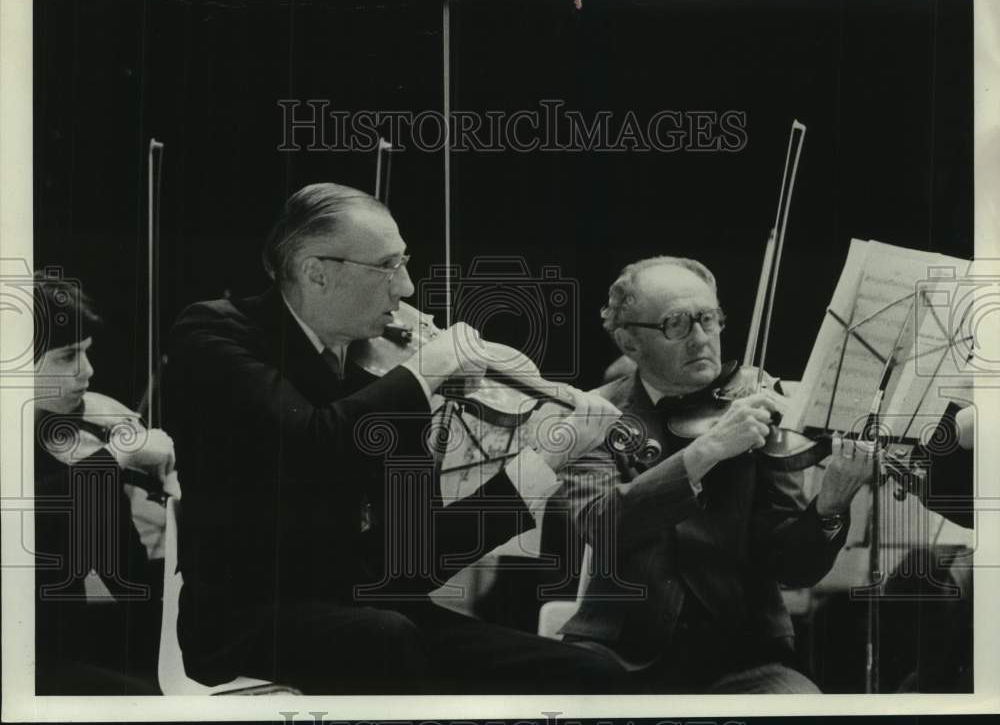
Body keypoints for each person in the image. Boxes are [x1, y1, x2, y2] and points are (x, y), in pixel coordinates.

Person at [163, 182, 629, 694]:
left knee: (592, 675)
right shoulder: (215, 333)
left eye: (403, 262)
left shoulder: (385, 375)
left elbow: (415, 563)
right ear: (317, 272)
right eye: (387, 266)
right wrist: (428, 369)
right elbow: (309, 441)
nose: (406, 288)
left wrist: (543, 460)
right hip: (249, 621)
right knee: (386, 639)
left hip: (373, 613)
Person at [555, 255, 872, 693]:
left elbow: (792, 569)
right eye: (676, 324)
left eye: (708, 319)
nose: (701, 339)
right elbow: (602, 523)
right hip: (620, 655)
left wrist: (831, 504)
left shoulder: (756, 407)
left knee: (803, 709)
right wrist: (708, 450)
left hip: (744, 657)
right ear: (630, 342)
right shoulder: (593, 414)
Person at [32, 274, 176, 693]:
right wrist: (119, 455)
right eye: (67, 357)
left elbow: (130, 580)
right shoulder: (88, 463)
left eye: (86, 352)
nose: (88, 371)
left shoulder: (80, 445)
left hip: (68, 642)